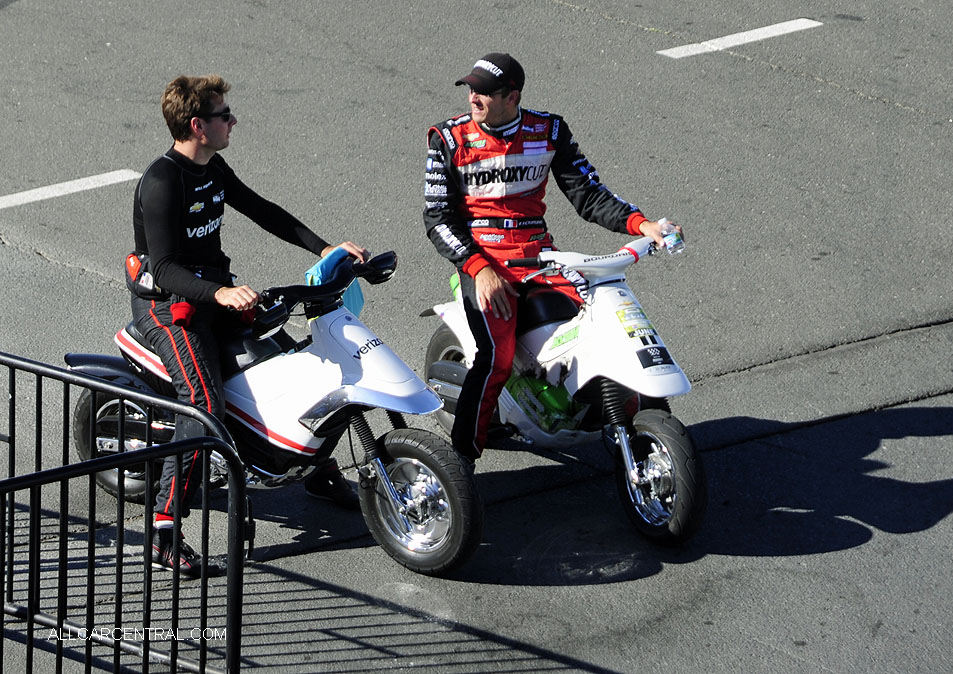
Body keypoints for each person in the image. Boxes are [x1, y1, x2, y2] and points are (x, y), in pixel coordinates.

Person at [131, 74, 367, 578]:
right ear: (198, 125)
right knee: (204, 403)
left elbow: (260, 209)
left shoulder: (211, 166)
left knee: (298, 361)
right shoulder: (162, 181)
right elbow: (164, 267)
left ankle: (317, 469)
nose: (232, 121)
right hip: (168, 307)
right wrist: (218, 293)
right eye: (223, 115)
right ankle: (164, 527)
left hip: (216, 296)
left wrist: (324, 249)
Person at [423, 53, 678, 465]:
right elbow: (437, 219)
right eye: (470, 88)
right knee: (496, 357)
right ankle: (459, 461)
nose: (473, 97)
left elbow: (588, 194)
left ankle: (628, 424)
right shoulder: (447, 140)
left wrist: (641, 224)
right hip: (484, 261)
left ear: (512, 96)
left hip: (540, 256)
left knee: (603, 321)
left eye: (484, 91)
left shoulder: (550, 130)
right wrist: (479, 268)